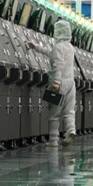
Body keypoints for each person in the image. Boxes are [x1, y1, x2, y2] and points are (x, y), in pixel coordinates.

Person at [28, 20, 76, 148]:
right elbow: (52, 54)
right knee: (69, 111)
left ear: (58, 32)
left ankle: (53, 140)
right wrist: (37, 47)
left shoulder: (58, 47)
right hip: (71, 83)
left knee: (54, 112)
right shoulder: (69, 47)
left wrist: (56, 81)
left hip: (59, 83)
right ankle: (71, 130)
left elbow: (57, 64)